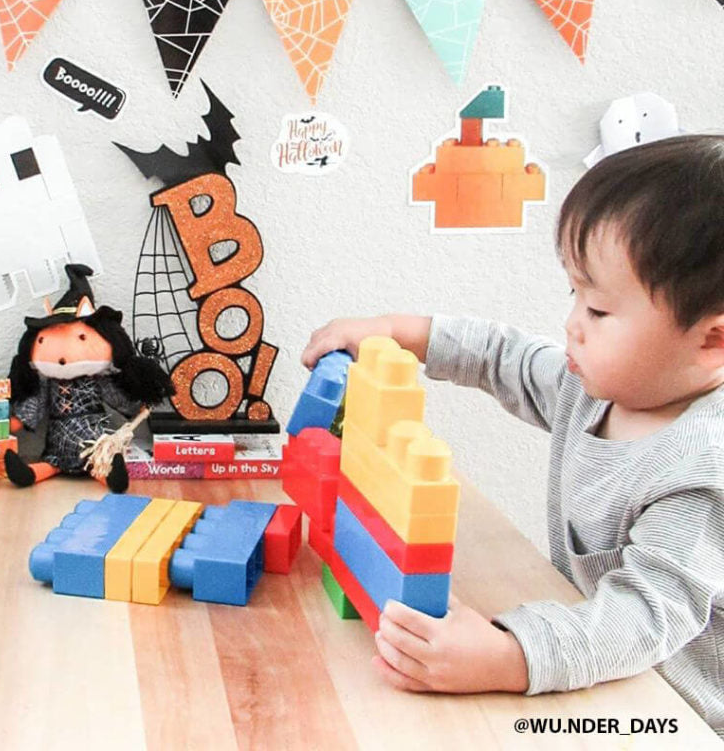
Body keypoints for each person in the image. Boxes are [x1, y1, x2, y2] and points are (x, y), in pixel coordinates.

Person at [301, 135, 724, 736]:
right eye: (573, 294)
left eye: (599, 311)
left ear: (712, 340)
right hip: (598, 674)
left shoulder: (703, 466)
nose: (572, 324)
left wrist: (510, 656)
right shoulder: (597, 388)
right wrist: (397, 331)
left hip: (675, 715)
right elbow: (505, 356)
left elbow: (641, 618)